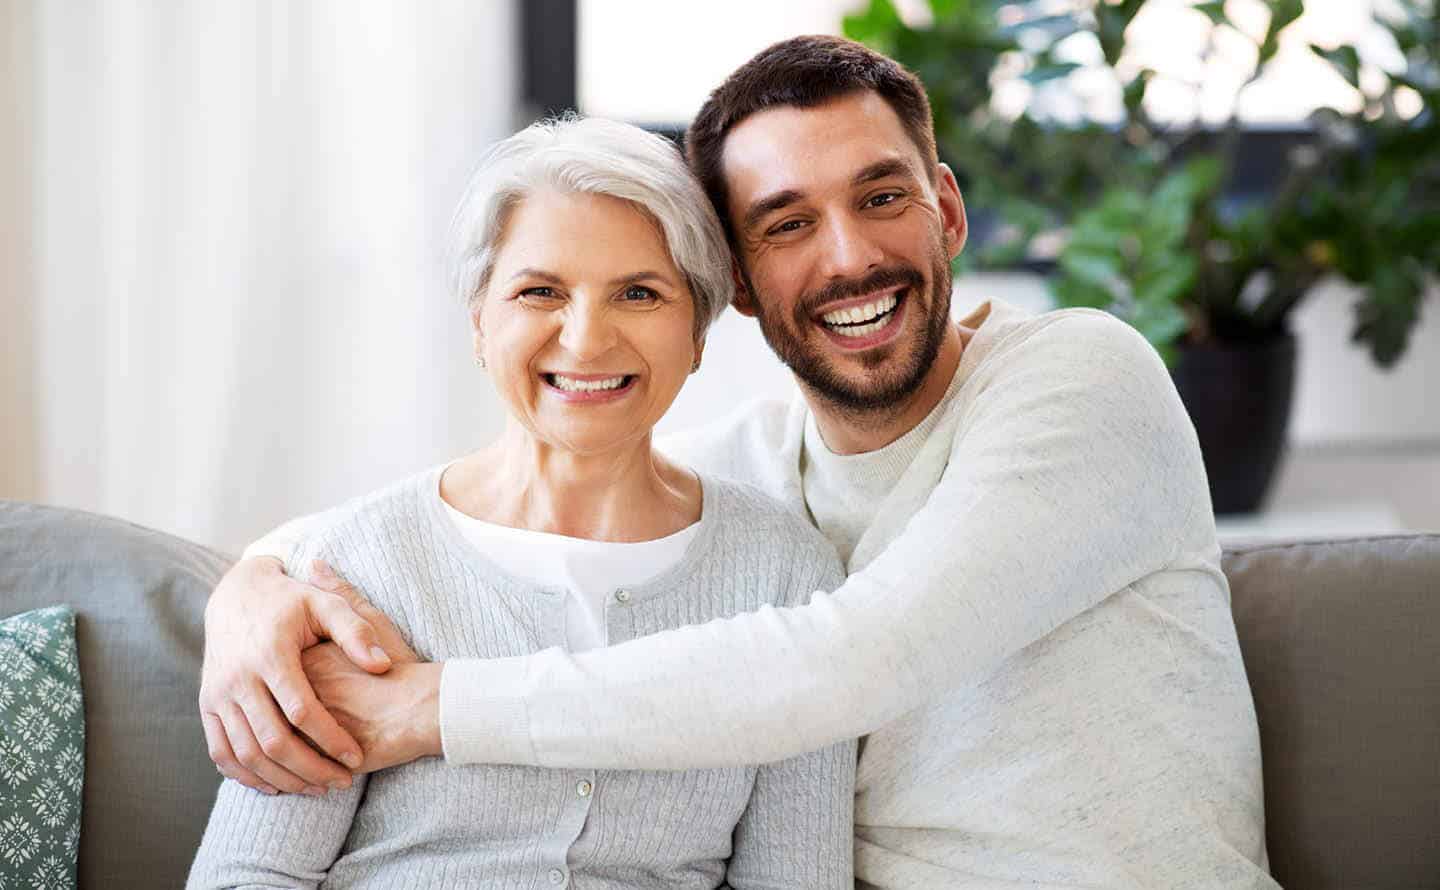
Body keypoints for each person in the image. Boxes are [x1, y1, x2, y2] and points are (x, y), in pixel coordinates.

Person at [201, 36, 1278, 889]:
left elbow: (863, 654)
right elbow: (492, 507)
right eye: (789, 222)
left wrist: (433, 708)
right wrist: (254, 587)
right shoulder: (757, 476)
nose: (849, 254)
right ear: (742, 286)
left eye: (882, 196)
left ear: (948, 211)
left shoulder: (1080, 377)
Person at [187, 115, 856, 889]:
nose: (584, 341)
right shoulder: (350, 573)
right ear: (480, 323)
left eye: (639, 293)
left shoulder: (785, 578)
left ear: (698, 332)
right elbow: (248, 875)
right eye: (541, 291)